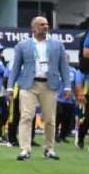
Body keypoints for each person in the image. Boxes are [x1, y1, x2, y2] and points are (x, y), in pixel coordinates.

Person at [8, 16, 71, 161]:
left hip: (50, 85)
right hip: (28, 85)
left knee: (50, 119)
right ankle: (25, 149)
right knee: (26, 117)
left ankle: (49, 149)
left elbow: (64, 67)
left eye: (47, 24)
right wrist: (10, 87)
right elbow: (16, 68)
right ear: (33, 28)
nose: (46, 26)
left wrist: (67, 85)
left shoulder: (57, 45)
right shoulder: (22, 45)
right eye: (42, 24)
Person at [55, 66, 78, 143]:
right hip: (58, 98)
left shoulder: (73, 71)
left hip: (70, 100)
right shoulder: (56, 70)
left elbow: (76, 83)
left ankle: (63, 136)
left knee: (67, 119)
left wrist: (75, 95)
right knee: (57, 117)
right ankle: (55, 135)